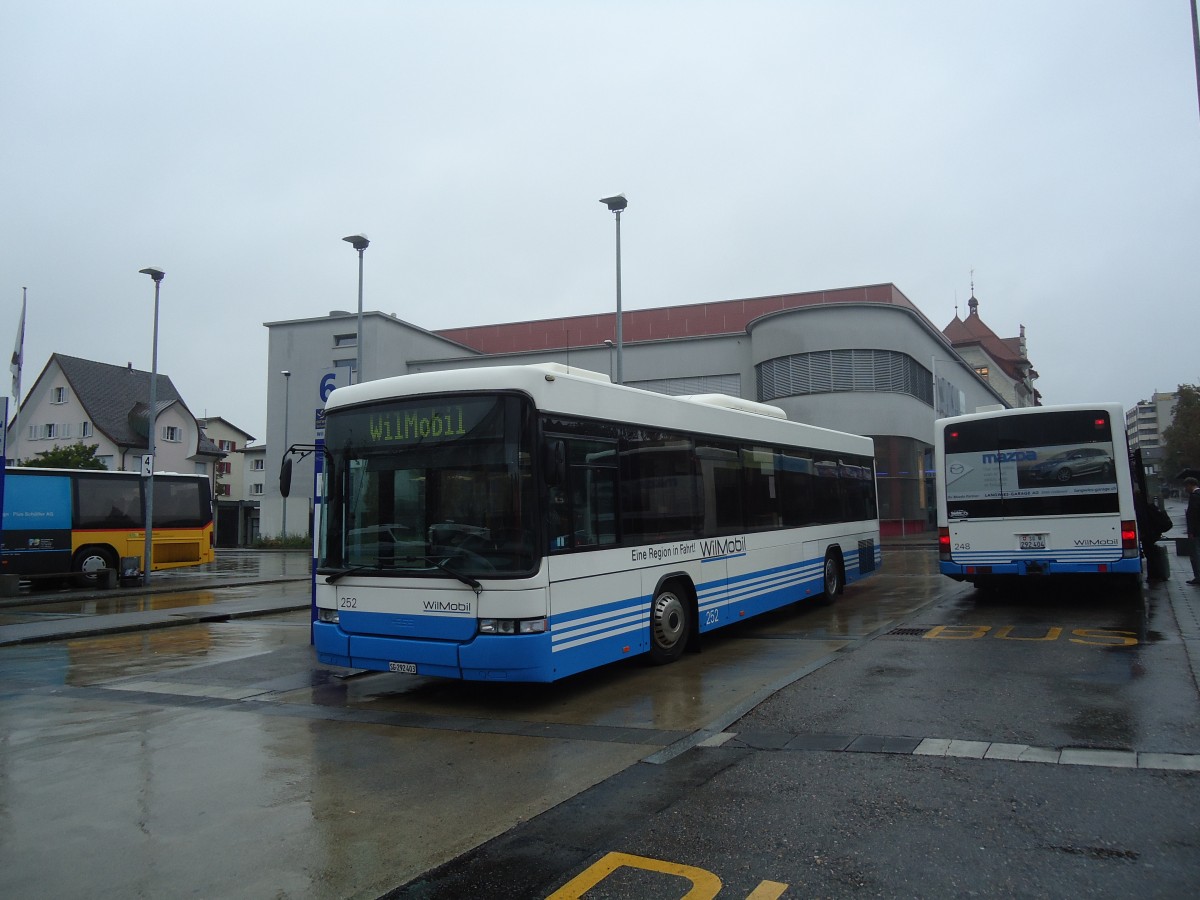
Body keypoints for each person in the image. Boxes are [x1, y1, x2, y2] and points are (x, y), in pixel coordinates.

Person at [1186, 477, 1200, 586]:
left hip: (1196, 531)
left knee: (1195, 554)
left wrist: (1191, 531)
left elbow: (1193, 516)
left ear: (1191, 485)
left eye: (1186, 486)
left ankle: (1198, 576)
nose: (1186, 489)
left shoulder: (1194, 497)